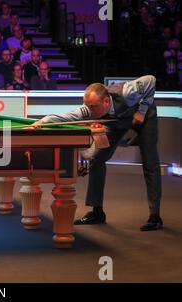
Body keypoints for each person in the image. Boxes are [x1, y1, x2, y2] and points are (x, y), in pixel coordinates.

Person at [30, 75, 163, 231]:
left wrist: (142, 110)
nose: (89, 111)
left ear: (106, 102)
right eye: (88, 106)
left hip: (144, 119)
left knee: (150, 163)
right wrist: (41, 122)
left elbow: (151, 80)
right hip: (115, 123)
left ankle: (155, 217)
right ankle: (97, 212)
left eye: (93, 107)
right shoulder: (91, 108)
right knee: (96, 159)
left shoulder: (127, 92)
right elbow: (65, 117)